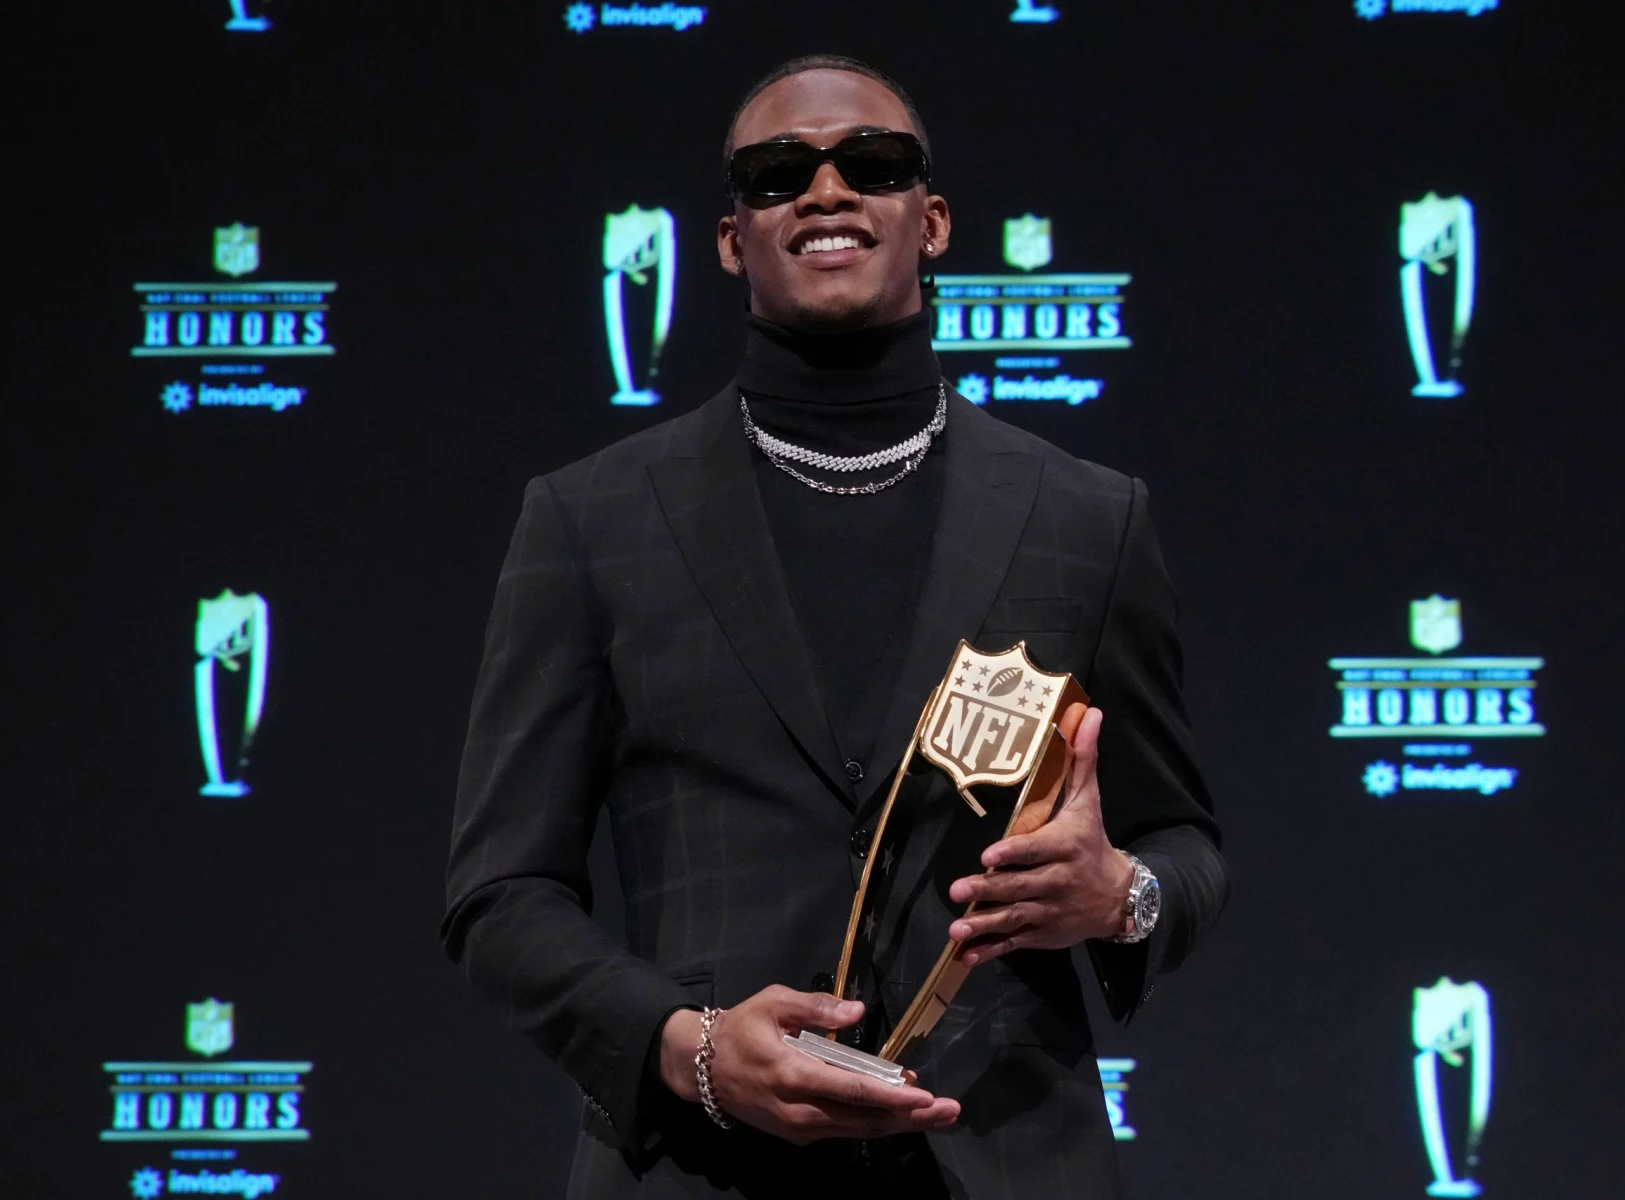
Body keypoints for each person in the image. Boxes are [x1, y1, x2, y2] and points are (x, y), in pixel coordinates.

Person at [442, 54, 1228, 1199]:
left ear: (935, 219)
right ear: (729, 237)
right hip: (700, 1166)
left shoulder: (1086, 517)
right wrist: (689, 1048)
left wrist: (1121, 897)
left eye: (872, 162)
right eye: (777, 174)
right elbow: (499, 897)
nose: (825, 190)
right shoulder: (589, 519)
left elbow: (1184, 843)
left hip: (1008, 1161)